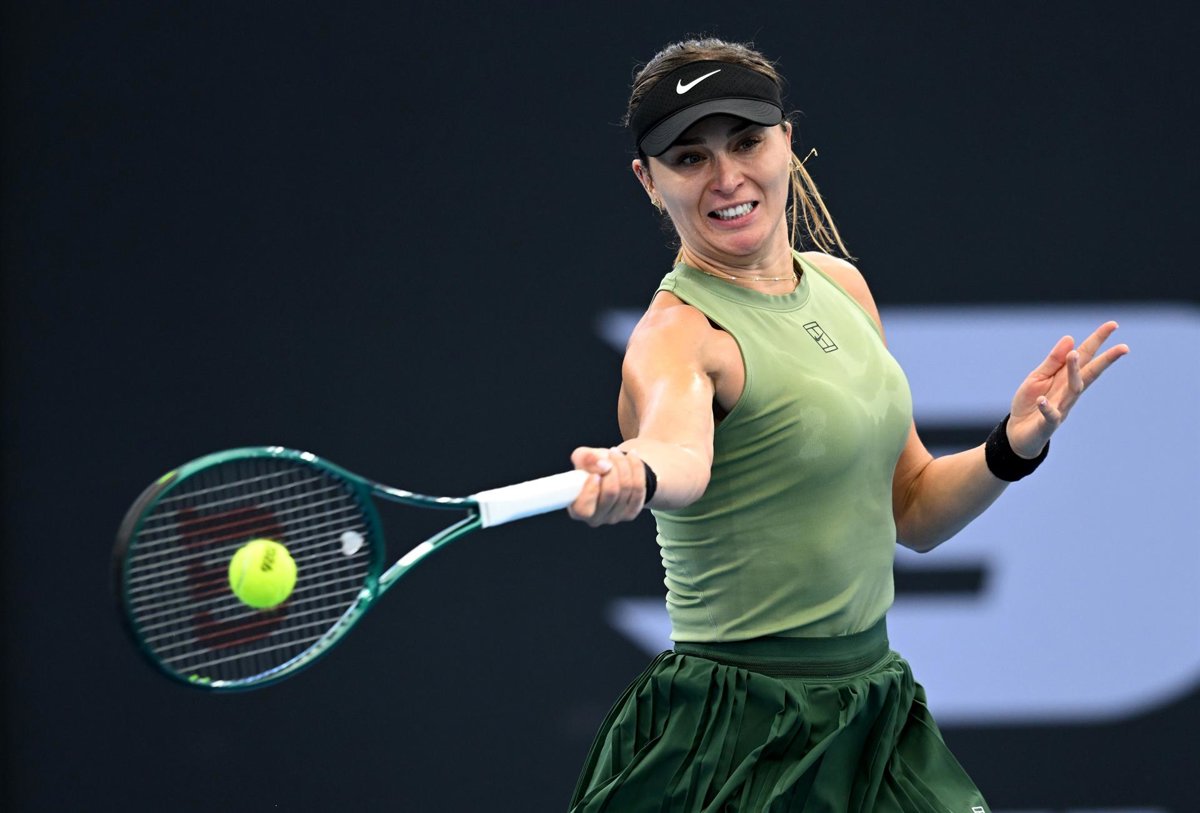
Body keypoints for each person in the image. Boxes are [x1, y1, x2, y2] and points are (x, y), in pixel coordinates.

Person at [565, 38, 1128, 812]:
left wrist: (1011, 446)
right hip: (739, 732)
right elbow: (679, 451)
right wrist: (642, 471)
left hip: (871, 708)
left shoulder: (841, 286)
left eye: (747, 142)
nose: (726, 177)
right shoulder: (677, 338)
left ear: (787, 140)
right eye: (690, 158)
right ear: (649, 181)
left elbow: (914, 508)